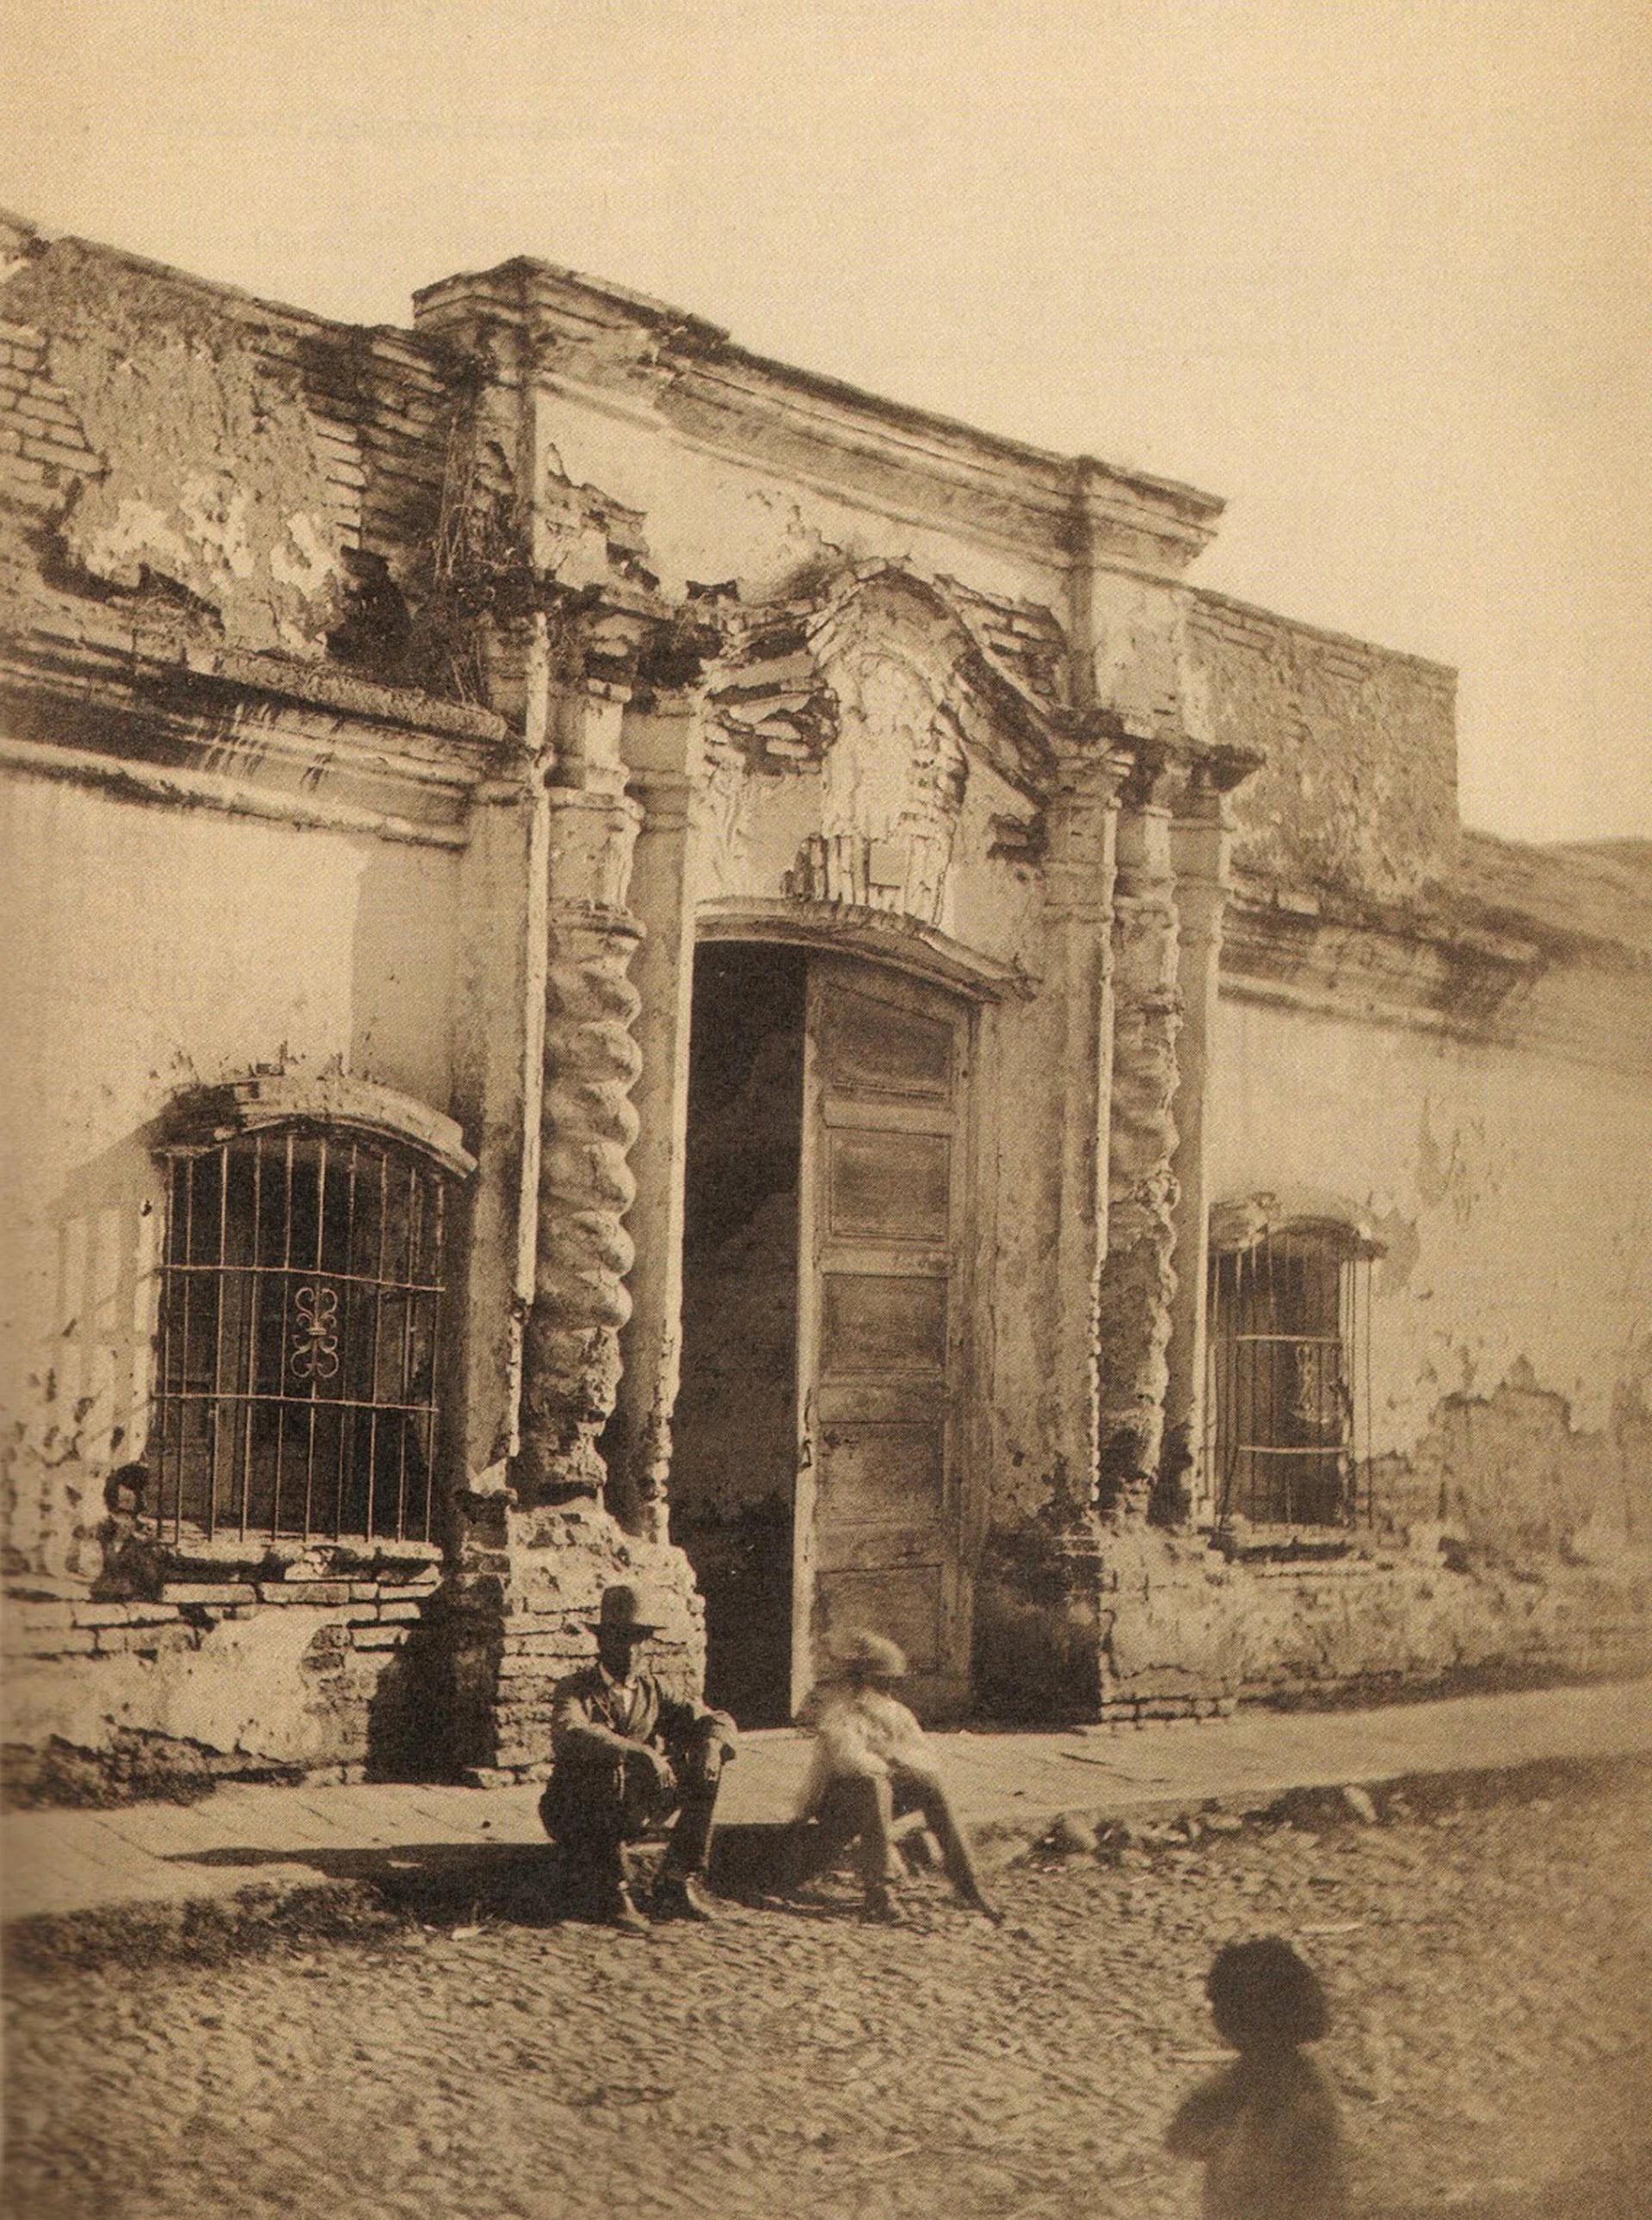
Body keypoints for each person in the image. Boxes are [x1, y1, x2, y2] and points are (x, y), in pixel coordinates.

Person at [540, 1582, 738, 1933]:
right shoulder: (576, 1688)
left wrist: (712, 1742)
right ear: (602, 1642)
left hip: (636, 1800)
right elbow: (571, 1732)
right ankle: (612, 1892)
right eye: (620, 1638)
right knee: (606, 1766)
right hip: (576, 1809)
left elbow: (715, 1717)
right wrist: (640, 1751)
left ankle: (677, 1880)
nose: (631, 1650)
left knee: (708, 1764)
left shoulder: (653, 1690)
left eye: (639, 1639)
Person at [787, 1629, 1001, 1923]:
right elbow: (851, 1762)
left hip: (881, 1797)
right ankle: (879, 1893)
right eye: (880, 1683)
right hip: (836, 1806)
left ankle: (967, 1882)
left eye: (889, 1684)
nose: (886, 1691)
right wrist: (889, 1759)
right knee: (874, 1784)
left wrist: (899, 1760)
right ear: (861, 1682)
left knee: (931, 1784)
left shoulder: (898, 1715)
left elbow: (926, 1757)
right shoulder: (842, 1714)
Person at [1166, 1936, 1348, 2220]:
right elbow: (1181, 2138)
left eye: (1225, 2007)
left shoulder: (1304, 2100)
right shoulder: (1248, 2077)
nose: (1217, 2018)